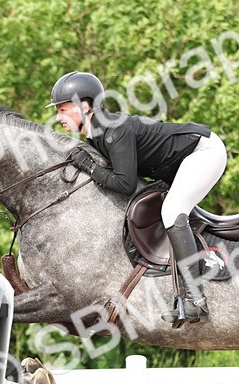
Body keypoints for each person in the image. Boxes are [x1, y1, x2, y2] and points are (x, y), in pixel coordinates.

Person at [48, 71, 227, 326]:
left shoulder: (113, 131)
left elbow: (124, 183)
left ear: (85, 106)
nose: (58, 117)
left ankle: (195, 300)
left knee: (172, 210)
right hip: (179, 162)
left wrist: (90, 168)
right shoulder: (98, 134)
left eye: (63, 109)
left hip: (204, 152)